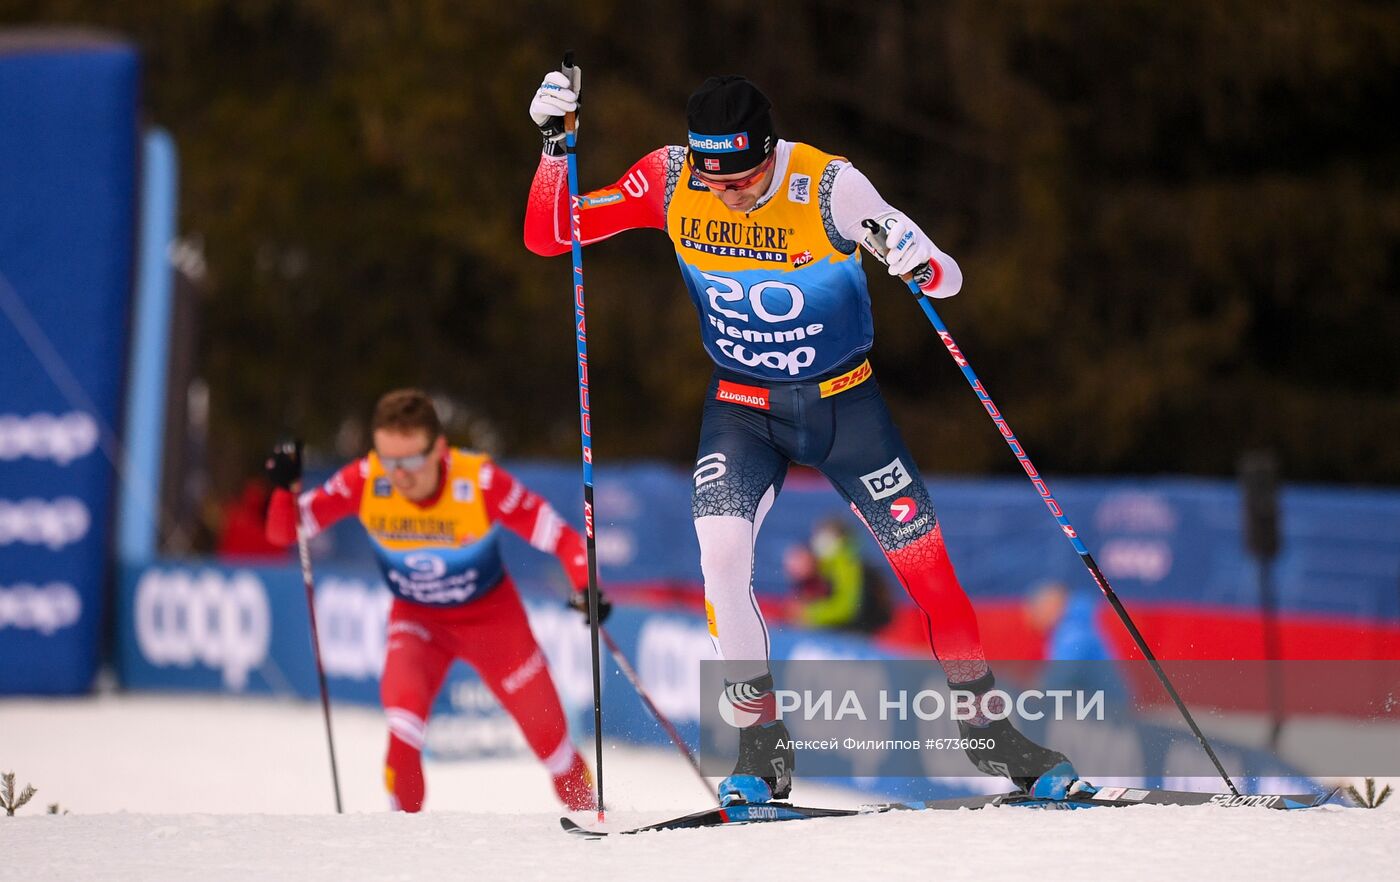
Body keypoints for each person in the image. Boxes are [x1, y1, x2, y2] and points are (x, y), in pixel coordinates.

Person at [523, 69, 1078, 804]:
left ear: (769, 151)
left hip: (846, 408)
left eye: (743, 179)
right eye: (714, 182)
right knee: (720, 554)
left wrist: (917, 258)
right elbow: (551, 236)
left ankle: (990, 735)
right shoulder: (668, 178)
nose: (728, 194)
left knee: (930, 575)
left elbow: (948, 281)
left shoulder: (829, 186)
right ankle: (761, 746)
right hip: (743, 406)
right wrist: (554, 151)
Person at [263, 388, 609, 812]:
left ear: (439, 449)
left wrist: (585, 584)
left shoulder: (477, 481)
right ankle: (402, 846)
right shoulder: (366, 479)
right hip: (418, 623)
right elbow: (286, 531)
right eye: (388, 460)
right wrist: (283, 489)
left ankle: (593, 817)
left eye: (409, 461)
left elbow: (564, 539)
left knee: (553, 747)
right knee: (402, 728)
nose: (398, 475)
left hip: (493, 623)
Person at [784, 519, 891, 634]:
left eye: (823, 536)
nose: (817, 541)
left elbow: (846, 607)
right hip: (849, 627)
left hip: (859, 629)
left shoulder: (845, 563)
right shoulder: (825, 564)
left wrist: (810, 614)